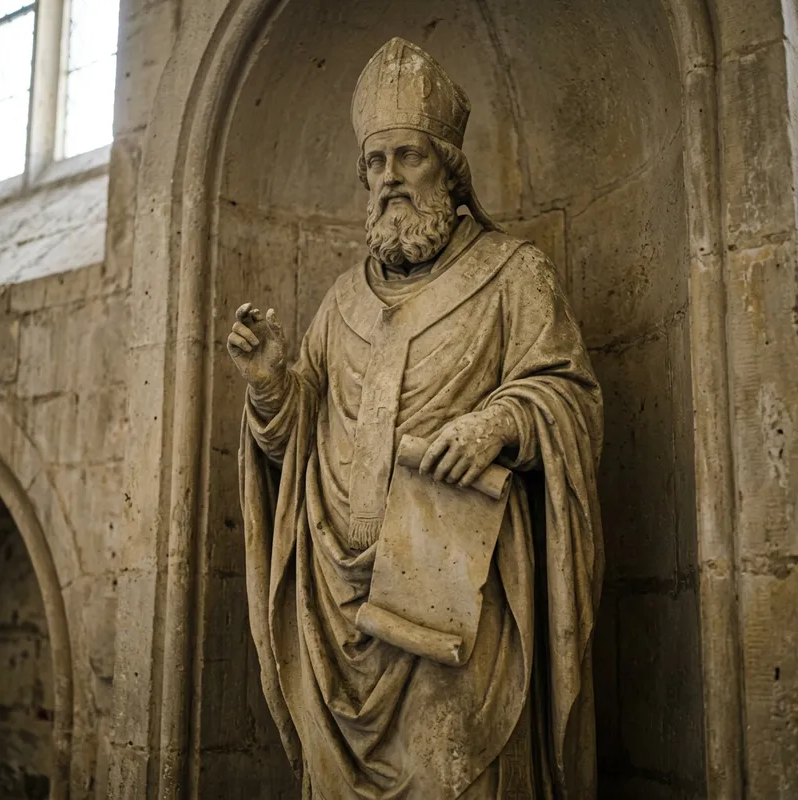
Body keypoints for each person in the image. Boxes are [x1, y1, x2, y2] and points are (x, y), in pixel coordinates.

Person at [228, 37, 604, 799]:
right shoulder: (339, 303)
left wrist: (499, 423)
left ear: (449, 169)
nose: (390, 179)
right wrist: (271, 386)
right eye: (376, 162)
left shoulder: (511, 273)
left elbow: (569, 395)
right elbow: (300, 441)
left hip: (459, 605)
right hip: (336, 616)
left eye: (409, 156)